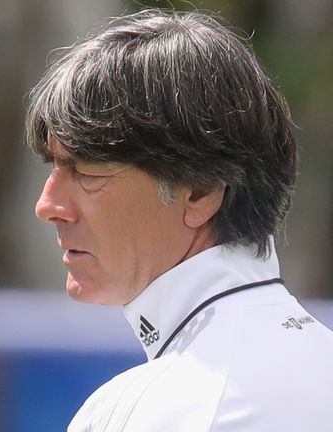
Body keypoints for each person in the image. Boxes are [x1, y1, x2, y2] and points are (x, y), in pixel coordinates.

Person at [26, 9, 333, 431]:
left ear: (200, 191)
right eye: (54, 168)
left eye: (88, 172)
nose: (48, 205)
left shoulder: (147, 411)